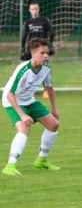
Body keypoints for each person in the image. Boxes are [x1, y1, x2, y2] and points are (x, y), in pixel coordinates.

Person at [2, 38, 60, 176]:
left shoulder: (46, 68)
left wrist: (54, 107)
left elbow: (49, 87)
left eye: (47, 53)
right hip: (12, 101)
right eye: (42, 53)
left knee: (54, 125)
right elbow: (10, 94)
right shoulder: (23, 69)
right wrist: (23, 115)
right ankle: (10, 165)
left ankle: (42, 160)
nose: (46, 56)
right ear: (33, 54)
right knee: (23, 129)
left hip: (29, 100)